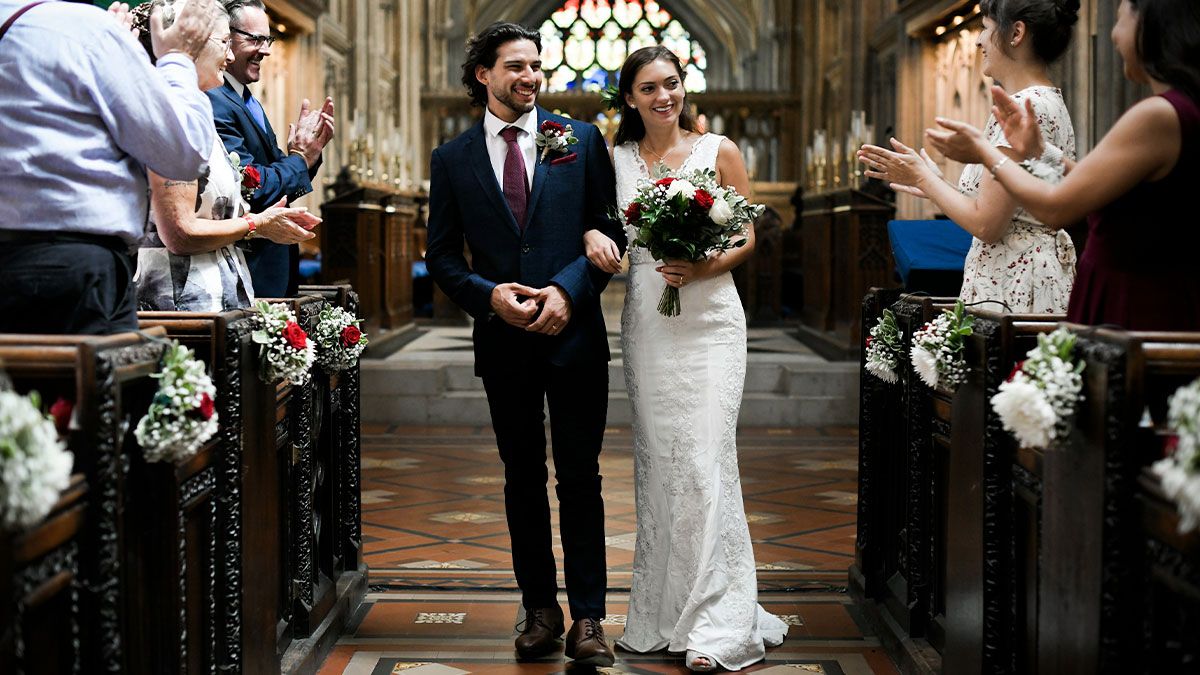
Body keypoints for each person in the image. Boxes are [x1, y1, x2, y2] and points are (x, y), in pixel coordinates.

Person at [424, 21, 625, 667]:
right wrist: (489, 296)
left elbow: (607, 231)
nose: (531, 77)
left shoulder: (580, 139)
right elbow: (442, 258)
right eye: (515, 66)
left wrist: (569, 289)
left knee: (580, 477)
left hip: (574, 336)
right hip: (504, 341)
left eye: (536, 65)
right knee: (521, 478)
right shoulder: (452, 158)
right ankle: (540, 609)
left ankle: (589, 617)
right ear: (483, 74)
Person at [582, 45, 788, 672]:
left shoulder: (717, 150)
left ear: (683, 88)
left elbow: (747, 230)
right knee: (660, 467)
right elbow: (599, 225)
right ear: (630, 97)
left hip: (712, 320)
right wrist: (597, 239)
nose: (663, 97)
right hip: (647, 318)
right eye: (648, 88)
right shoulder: (612, 159)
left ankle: (717, 622)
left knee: (705, 460)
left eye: (671, 84)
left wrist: (704, 266)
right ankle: (664, 615)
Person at [925, 0, 1200, 330]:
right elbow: (1090, 185)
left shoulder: (1158, 115)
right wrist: (1039, 151)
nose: (1113, 35)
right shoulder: (1176, 111)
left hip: (1139, 305)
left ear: (1153, 24)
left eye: (1120, 19)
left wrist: (986, 153)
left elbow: (1056, 209)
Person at [0, 0, 218, 334]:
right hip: (72, 269)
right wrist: (178, 59)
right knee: (82, 385)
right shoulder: (84, 29)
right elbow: (182, 153)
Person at [857, 0, 1080, 313]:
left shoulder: (1022, 107)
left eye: (985, 29)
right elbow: (1008, 208)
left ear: (1016, 33)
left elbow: (988, 225)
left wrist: (923, 178)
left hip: (1015, 280)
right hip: (1027, 269)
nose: (978, 41)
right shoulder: (1044, 99)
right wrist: (935, 183)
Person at [129, 1, 320, 312]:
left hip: (222, 293)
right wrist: (257, 223)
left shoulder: (197, 107)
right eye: (223, 43)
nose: (229, 55)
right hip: (182, 299)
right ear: (194, 43)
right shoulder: (172, 112)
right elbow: (181, 233)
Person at [207, 0, 334, 298]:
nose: (265, 50)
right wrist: (299, 159)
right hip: (247, 265)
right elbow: (252, 186)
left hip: (269, 264)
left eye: (267, 39)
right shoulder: (215, 100)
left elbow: (278, 173)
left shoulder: (245, 99)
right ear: (226, 37)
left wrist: (308, 156)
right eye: (254, 39)